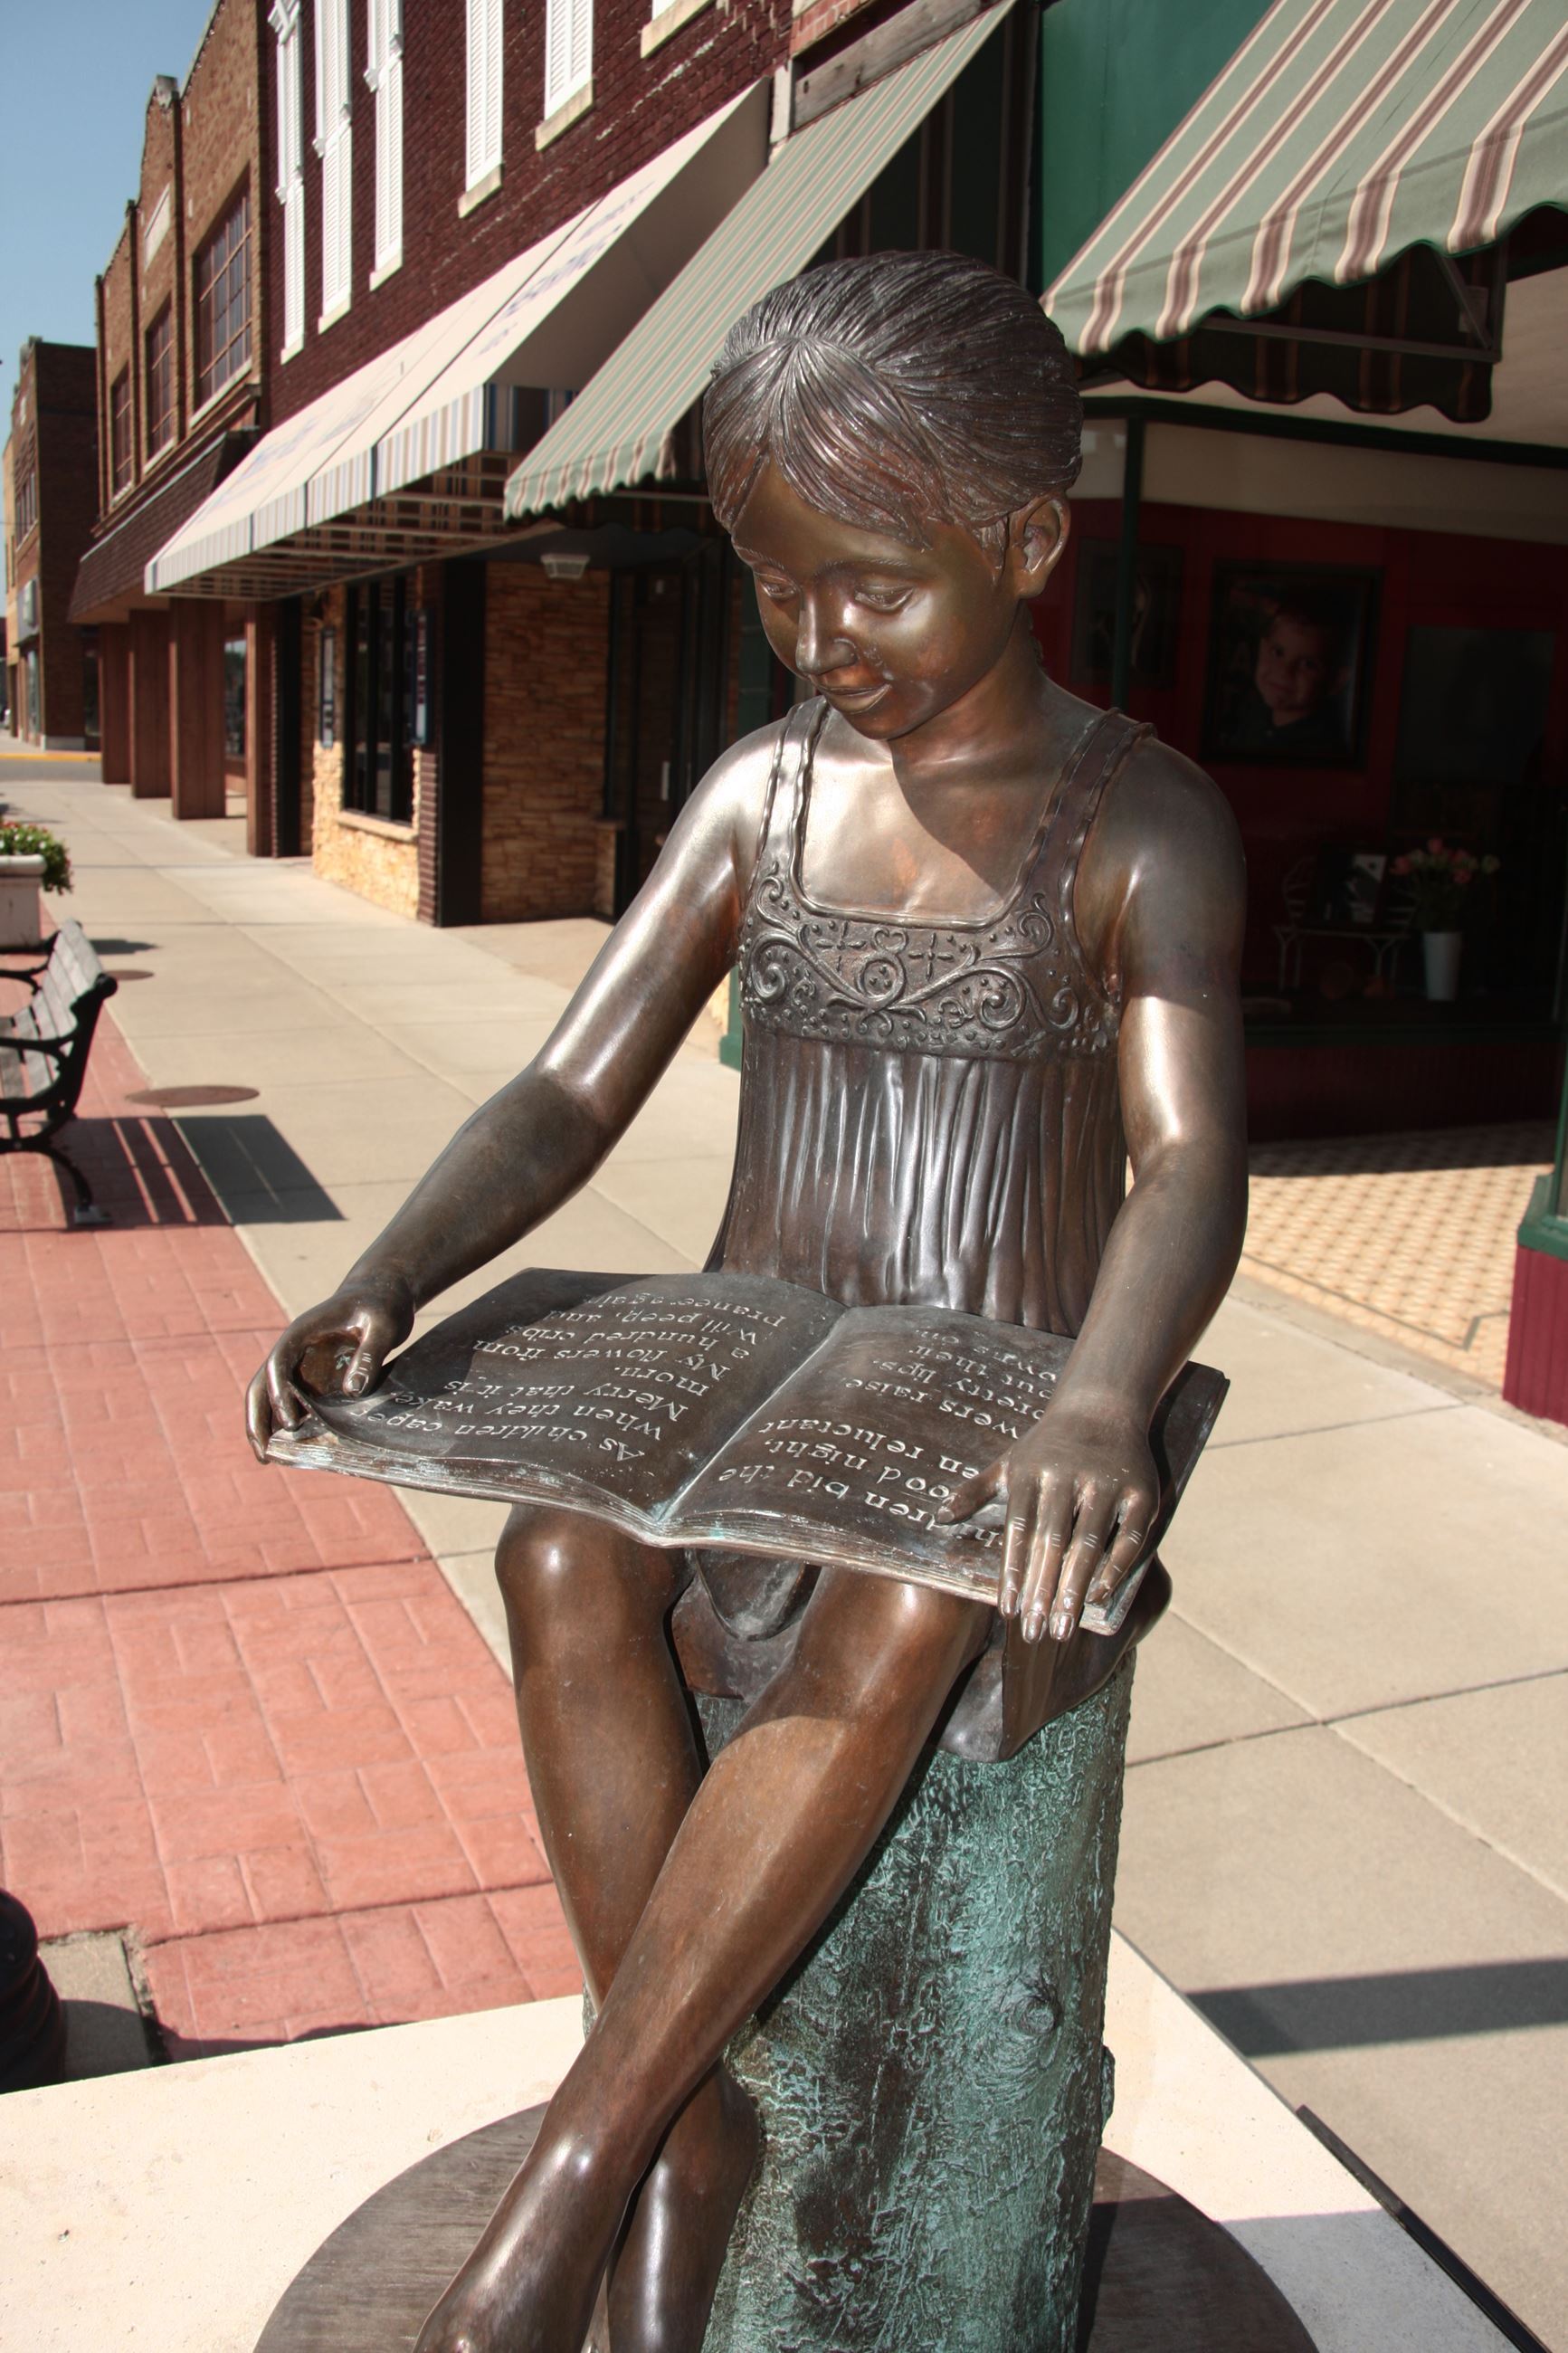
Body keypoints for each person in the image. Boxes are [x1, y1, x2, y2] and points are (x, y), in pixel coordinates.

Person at [248, 252, 1248, 2353]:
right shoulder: (760, 795)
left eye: (868, 585)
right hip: (748, 1355)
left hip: (998, 1380)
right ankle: (686, 2122)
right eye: (777, 591)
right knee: (555, 1549)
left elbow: (1184, 1161)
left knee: (889, 1595)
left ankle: (586, 2160)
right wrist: (390, 1268)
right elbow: (566, 1079)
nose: (819, 641)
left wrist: (1094, 1403)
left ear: (1025, 542)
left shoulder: (1136, 820)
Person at [1224, 589, 1353, 760]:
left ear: (1337, 680)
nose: (1285, 671)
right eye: (1278, 652)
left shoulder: (1320, 750)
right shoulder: (1251, 717)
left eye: (1308, 664)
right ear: (1262, 648)